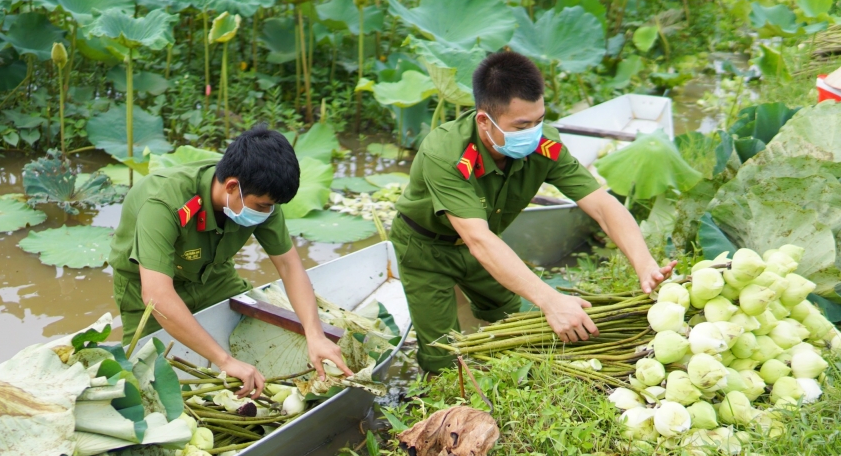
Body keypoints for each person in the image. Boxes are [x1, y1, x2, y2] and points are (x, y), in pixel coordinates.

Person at [390, 51, 676, 374]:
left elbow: (602, 205)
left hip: (486, 245)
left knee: (515, 320)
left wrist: (644, 262)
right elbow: (478, 240)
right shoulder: (445, 155)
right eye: (522, 125)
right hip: (427, 249)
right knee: (442, 356)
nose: (534, 132)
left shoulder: (543, 145)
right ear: (484, 121)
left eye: (539, 120)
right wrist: (551, 300)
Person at [109, 125, 351, 398]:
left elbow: (289, 265)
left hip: (214, 275)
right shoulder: (163, 203)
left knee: (253, 339)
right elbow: (157, 296)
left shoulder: (262, 197)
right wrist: (225, 361)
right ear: (232, 186)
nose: (268, 213)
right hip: (149, 284)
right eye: (262, 206)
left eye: (273, 206)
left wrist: (314, 333)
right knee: (143, 378)